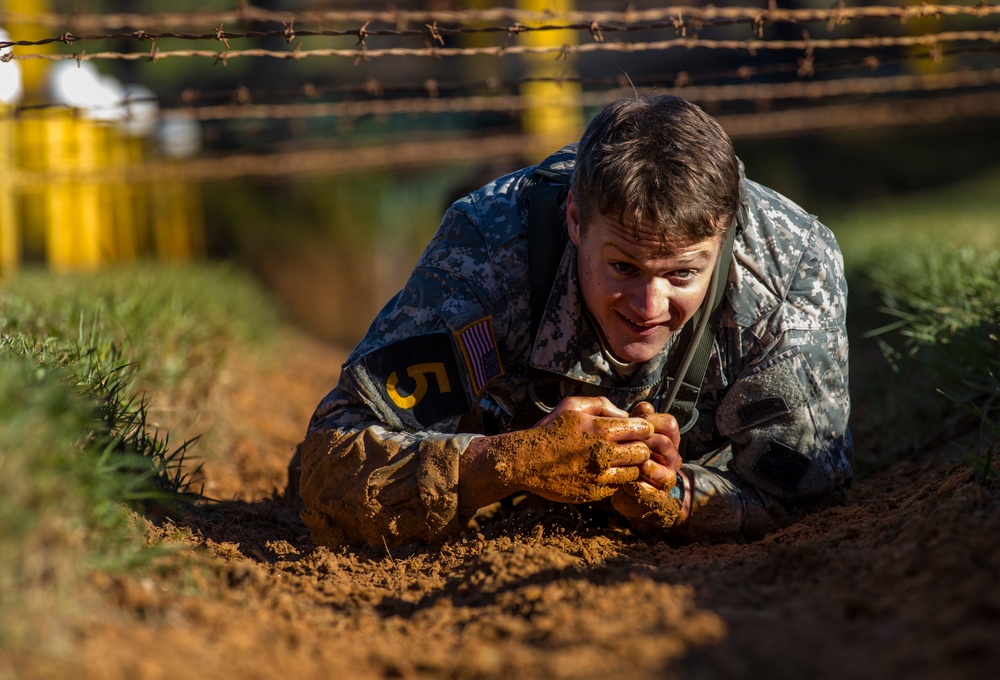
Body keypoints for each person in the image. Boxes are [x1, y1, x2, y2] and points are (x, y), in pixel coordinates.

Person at [294, 95, 852, 547]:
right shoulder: (490, 249)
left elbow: (811, 495)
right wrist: (510, 462)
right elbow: (328, 465)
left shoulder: (790, 270)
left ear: (724, 235)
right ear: (575, 222)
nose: (649, 305)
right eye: (623, 267)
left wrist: (678, 498)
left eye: (682, 274)